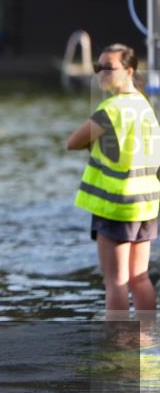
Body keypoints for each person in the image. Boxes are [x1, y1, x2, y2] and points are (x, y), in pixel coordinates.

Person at [67, 44, 159, 315]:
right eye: (98, 67)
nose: (102, 73)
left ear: (129, 70)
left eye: (109, 67)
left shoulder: (111, 109)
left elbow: (72, 142)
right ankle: (147, 339)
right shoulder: (144, 105)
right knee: (139, 277)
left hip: (117, 203)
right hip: (147, 204)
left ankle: (118, 346)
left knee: (116, 282)